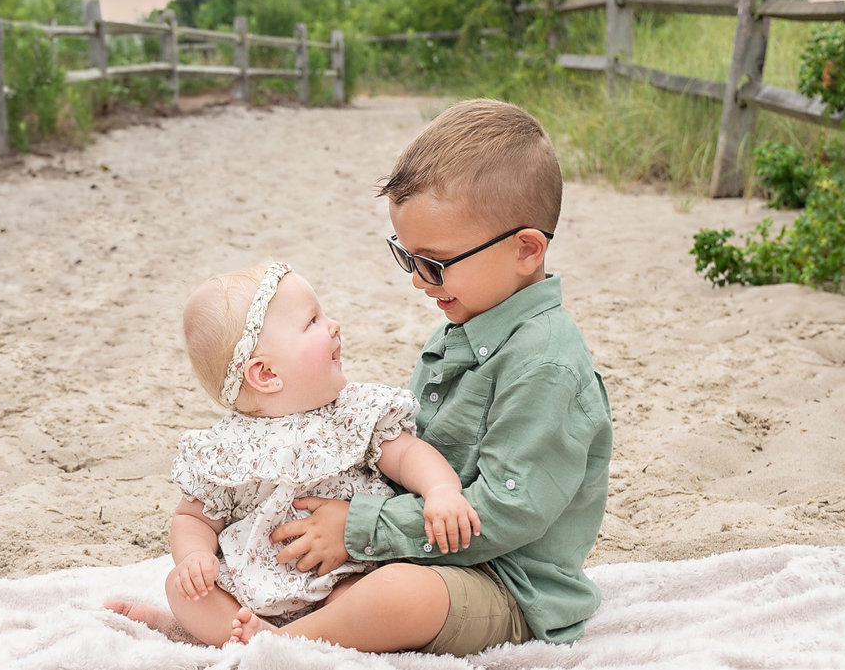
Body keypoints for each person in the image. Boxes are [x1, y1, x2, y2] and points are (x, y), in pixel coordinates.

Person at [233, 98, 614, 656]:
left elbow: (505, 514)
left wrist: (362, 529)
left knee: (396, 594)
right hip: (426, 546)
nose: (417, 281)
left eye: (433, 263)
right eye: (406, 257)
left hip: (507, 584)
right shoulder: (468, 315)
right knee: (283, 546)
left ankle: (281, 645)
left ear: (526, 249)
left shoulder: (545, 368)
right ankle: (228, 625)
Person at [106, 261, 480, 647]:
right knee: (183, 590)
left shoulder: (354, 412)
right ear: (266, 374)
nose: (334, 325)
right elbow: (192, 517)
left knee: (370, 599)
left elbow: (407, 456)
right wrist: (193, 558)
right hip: (252, 586)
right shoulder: (224, 448)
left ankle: (271, 640)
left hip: (342, 573)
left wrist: (441, 490)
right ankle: (234, 634)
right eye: (313, 322)